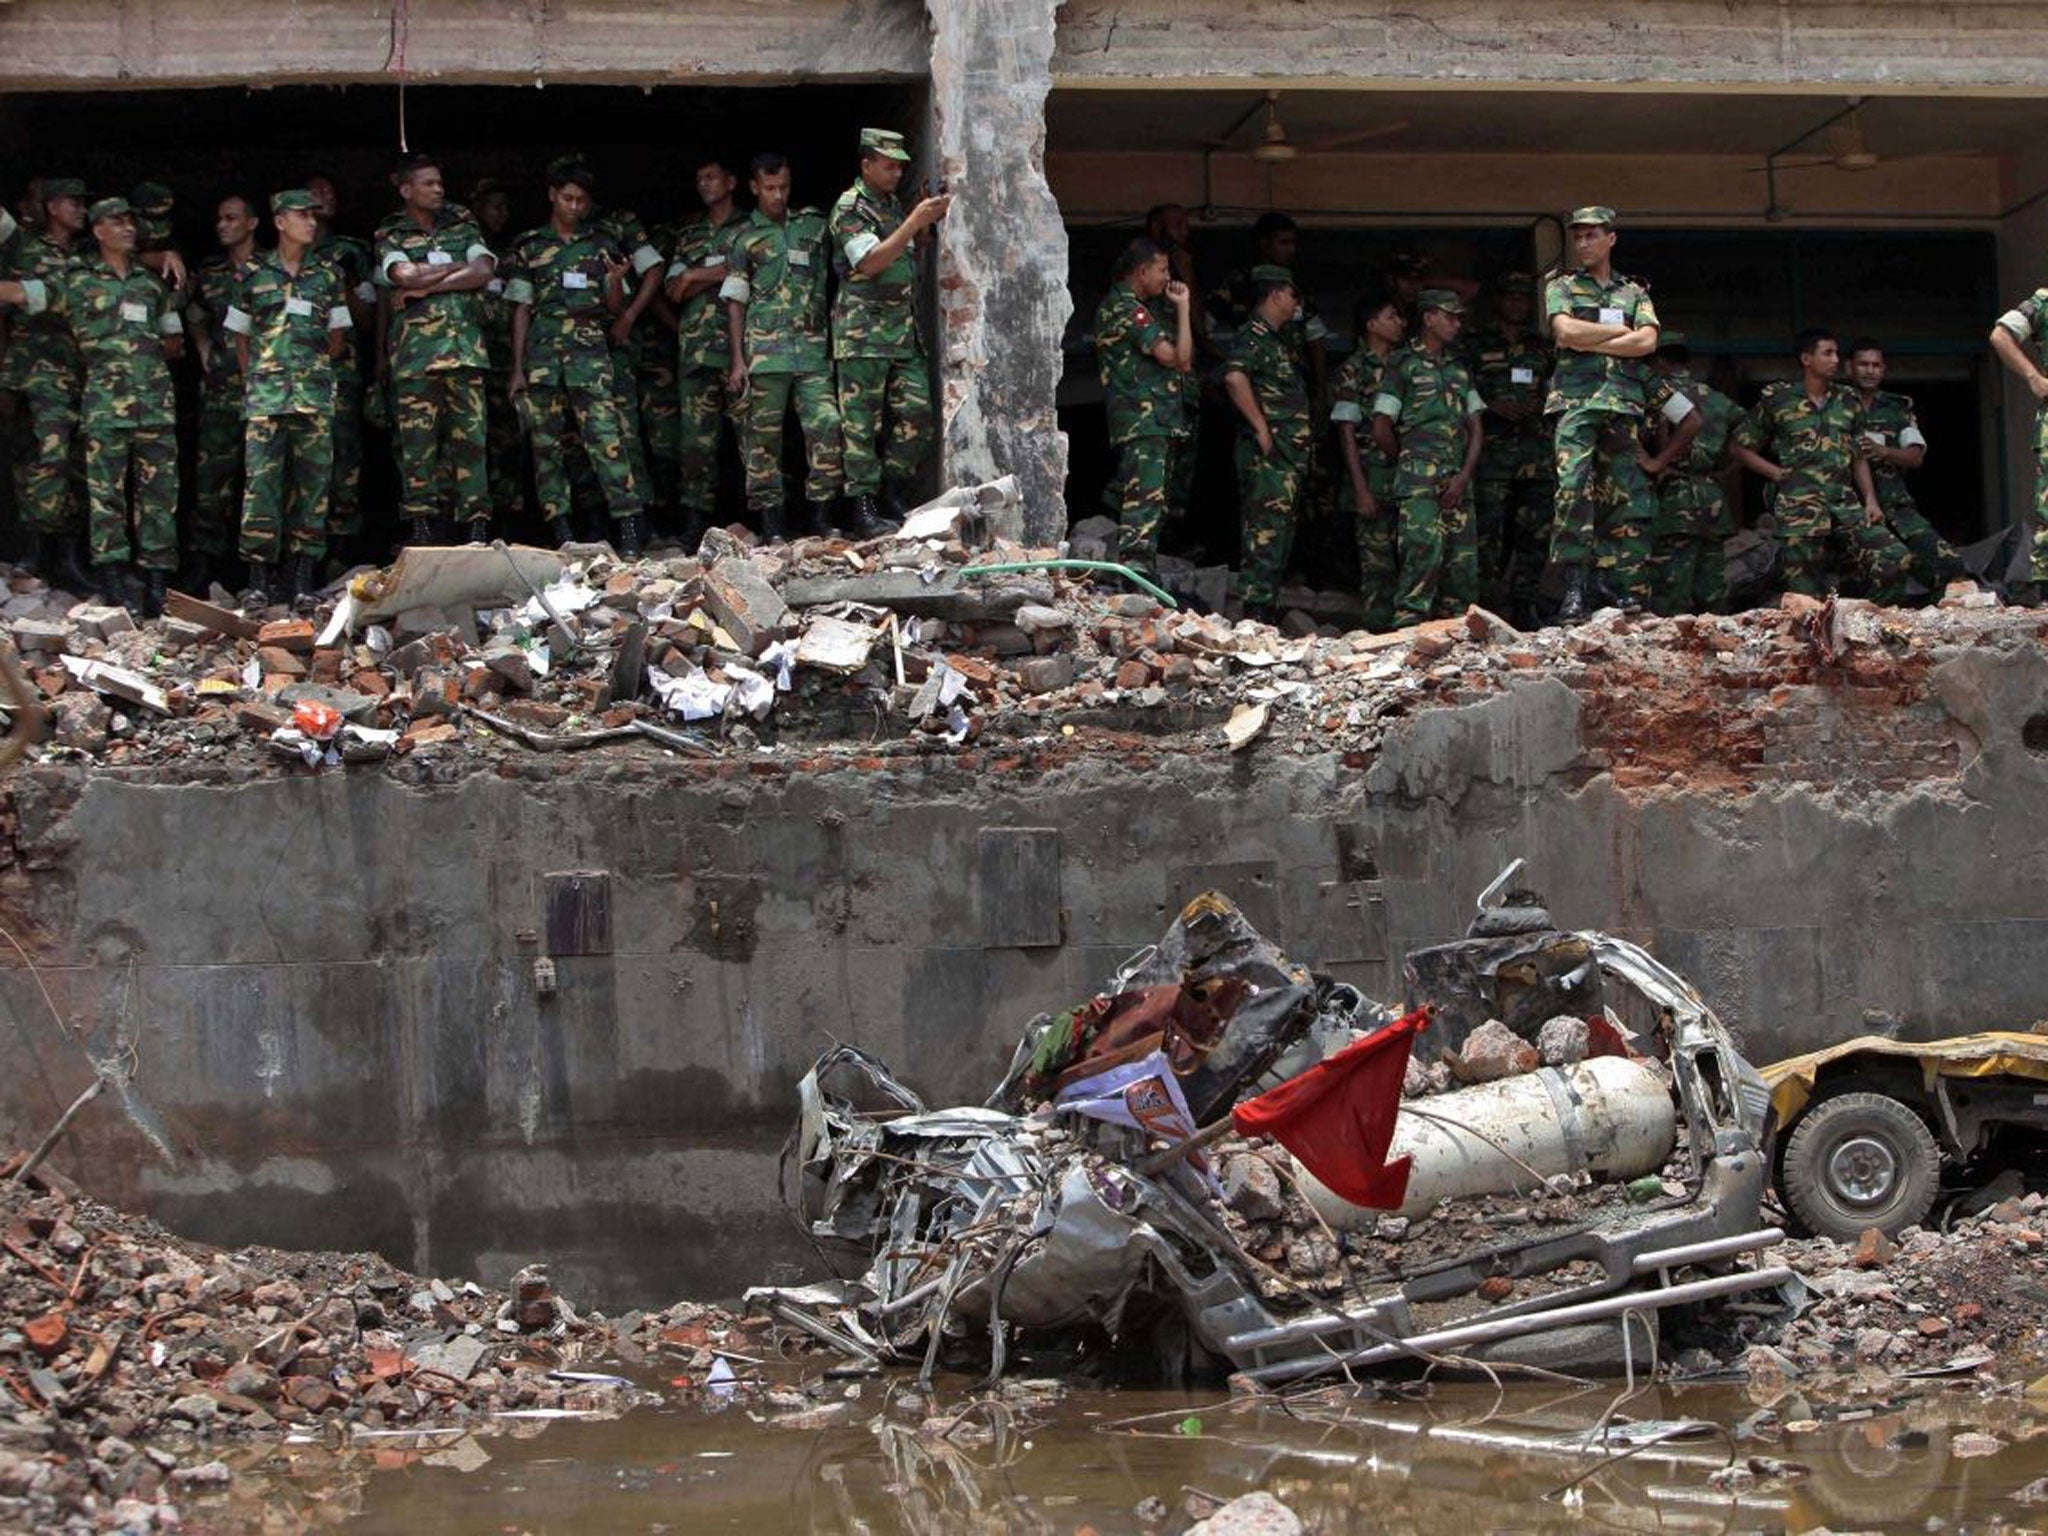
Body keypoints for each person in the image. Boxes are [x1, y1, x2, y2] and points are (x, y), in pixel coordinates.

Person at [0, 197, 184, 614]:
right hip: (105, 407)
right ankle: (114, 579)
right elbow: (24, 293)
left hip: (156, 406)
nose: (128, 228)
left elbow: (174, 342)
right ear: (98, 231)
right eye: (117, 222)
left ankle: (157, 582)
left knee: (159, 497)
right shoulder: (79, 283)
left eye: (130, 221)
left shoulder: (151, 285)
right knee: (107, 498)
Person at [505, 162, 648, 554]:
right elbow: (520, 309)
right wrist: (516, 368)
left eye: (581, 201)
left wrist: (617, 279)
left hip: (589, 352)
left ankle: (629, 529)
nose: (573, 206)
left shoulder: (601, 243)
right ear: (552, 195)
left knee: (606, 440)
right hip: (543, 354)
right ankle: (561, 532)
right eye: (567, 198)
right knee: (546, 447)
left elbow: (614, 307)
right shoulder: (530, 245)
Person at [225, 189, 353, 604]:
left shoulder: (328, 275)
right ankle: (259, 580)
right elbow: (240, 337)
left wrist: (307, 370)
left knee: (313, 489)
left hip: (313, 399)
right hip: (265, 398)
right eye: (302, 215)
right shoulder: (252, 273)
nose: (312, 223)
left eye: (314, 216)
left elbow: (338, 340)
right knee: (260, 488)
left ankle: (302, 578)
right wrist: (258, 378)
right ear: (280, 221)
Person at [1729, 327, 1914, 603]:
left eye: (1837, 353)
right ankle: (1811, 644)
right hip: (1799, 511)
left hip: (1845, 505)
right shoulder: (1779, 400)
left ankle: (1871, 625)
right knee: (1805, 596)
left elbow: (1858, 454)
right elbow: (1739, 447)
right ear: (1806, 359)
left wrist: (1871, 500)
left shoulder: (1847, 400)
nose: (1836, 360)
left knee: (1894, 558)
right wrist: (1775, 473)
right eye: (1828, 353)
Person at [1542, 206, 1660, 621]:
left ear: (1611, 238)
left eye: (1591, 235)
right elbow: (1566, 333)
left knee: (1620, 497)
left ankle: (1605, 581)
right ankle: (1574, 583)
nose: (1582, 243)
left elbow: (1646, 343)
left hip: (1622, 404)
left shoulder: (1634, 292)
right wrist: (1617, 333)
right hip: (1577, 403)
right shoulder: (1563, 287)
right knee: (1573, 488)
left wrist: (1592, 339)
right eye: (1578, 236)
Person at [830, 127, 950, 534]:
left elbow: (912, 259)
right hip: (862, 335)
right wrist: (914, 220)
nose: (896, 173)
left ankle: (891, 492)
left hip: (901, 333)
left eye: (900, 167)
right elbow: (871, 262)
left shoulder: (894, 207)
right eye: (888, 166)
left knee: (917, 413)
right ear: (866, 165)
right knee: (861, 426)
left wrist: (921, 227)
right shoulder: (851, 207)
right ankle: (862, 507)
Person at [721, 152, 846, 541]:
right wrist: (738, 361)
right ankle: (772, 525)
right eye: (770, 188)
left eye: (784, 188)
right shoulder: (743, 237)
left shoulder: (812, 226)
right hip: (764, 354)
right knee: (762, 439)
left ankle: (822, 518)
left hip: (810, 352)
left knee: (826, 424)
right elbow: (736, 300)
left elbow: (840, 272)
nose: (778, 196)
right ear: (755, 188)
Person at [374, 152, 496, 544]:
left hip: (464, 351)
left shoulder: (461, 221)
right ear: (406, 190)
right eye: (428, 183)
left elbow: (483, 271)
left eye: (440, 182)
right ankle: (422, 530)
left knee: (471, 445)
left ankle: (475, 528)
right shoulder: (390, 231)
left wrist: (425, 287)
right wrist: (441, 273)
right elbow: (402, 273)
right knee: (417, 449)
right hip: (416, 358)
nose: (438, 189)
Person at [0, 176, 93, 591]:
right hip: (35, 374)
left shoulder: (90, 253)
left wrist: (163, 252)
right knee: (43, 461)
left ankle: (66, 557)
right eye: (72, 202)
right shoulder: (23, 246)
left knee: (76, 464)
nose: (80, 209)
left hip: (86, 375)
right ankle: (37, 553)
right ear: (52, 207)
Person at [1371, 289, 1485, 625]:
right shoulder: (1402, 365)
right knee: (1421, 555)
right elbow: (1381, 428)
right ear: (1428, 318)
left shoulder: (1459, 369)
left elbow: (1476, 429)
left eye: (1459, 317)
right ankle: (1409, 634)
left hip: (1458, 481)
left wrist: (1463, 477)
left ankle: (1460, 637)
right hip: (1418, 482)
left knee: (1462, 564)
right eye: (1449, 316)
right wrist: (1410, 462)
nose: (1456, 323)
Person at [1091, 236, 1191, 577]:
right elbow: (1178, 358)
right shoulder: (1126, 309)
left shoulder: (1133, 307)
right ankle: (1135, 575)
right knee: (1145, 501)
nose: (1167, 277)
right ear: (1142, 270)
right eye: (1162, 270)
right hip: (1144, 420)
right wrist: (1184, 307)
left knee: (1146, 497)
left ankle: (1132, 569)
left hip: (1149, 420)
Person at [663, 158, 748, 546]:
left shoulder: (750, 226)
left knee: (752, 439)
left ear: (731, 182)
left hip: (744, 348)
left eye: (711, 176)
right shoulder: (689, 233)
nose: (704, 184)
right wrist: (706, 276)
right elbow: (673, 290)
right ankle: (694, 524)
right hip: (698, 351)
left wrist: (695, 275)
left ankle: (759, 518)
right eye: (698, 178)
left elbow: (754, 270)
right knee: (696, 444)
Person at [1221, 265, 1311, 620]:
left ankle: (1266, 609)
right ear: (1275, 294)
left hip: (1286, 456)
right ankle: (1255, 613)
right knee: (1263, 534)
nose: (1295, 303)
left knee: (1278, 535)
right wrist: (1260, 426)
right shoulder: (1255, 335)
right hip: (1268, 456)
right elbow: (1233, 376)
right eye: (1292, 295)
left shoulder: (1278, 339)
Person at [1466, 271, 1555, 624]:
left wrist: (1541, 404)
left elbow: (1557, 388)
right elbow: (1460, 388)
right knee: (1489, 533)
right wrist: (1491, 406)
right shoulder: (1474, 343)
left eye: (1523, 299)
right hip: (1491, 454)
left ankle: (1524, 603)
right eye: (1511, 297)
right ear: (1499, 301)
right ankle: (1486, 604)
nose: (1517, 304)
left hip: (1535, 453)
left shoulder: (1542, 346)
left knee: (1535, 533)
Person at [186, 193, 261, 587]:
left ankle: (258, 567)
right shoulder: (211, 272)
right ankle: (205, 564)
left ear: (251, 223)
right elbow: (194, 314)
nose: (222, 225)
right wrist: (201, 347)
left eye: (231, 218)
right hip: (219, 389)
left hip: (264, 391)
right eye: (219, 218)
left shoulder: (269, 269)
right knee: (212, 480)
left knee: (262, 480)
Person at [1848, 339, 1963, 594]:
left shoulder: (1897, 407)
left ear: (1884, 369)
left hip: (1897, 506)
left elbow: (1915, 457)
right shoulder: (1838, 406)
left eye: (1876, 365)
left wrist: (1884, 451)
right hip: (1853, 511)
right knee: (1886, 569)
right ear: (1849, 368)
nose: (1870, 370)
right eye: (1863, 364)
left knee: (1949, 565)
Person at [1637, 332, 1736, 614]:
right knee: (1712, 592)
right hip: (1711, 497)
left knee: (1669, 594)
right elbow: (1746, 440)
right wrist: (1725, 470)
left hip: (1674, 498)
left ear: (1657, 360)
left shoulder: (1657, 392)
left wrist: (1657, 462)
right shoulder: (1714, 397)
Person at [305, 174, 375, 564]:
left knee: (344, 463)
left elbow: (367, 318)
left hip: (341, 374)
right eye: (316, 191)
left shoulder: (351, 251)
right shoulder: (275, 261)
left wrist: (346, 284)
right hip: (295, 379)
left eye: (330, 191)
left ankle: (341, 556)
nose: (325, 197)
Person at [1328, 294, 1404, 630]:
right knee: (1376, 563)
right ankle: (1378, 630)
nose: (1399, 322)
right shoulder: (1353, 369)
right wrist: (1360, 489)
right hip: (1371, 473)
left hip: (1407, 475)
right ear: (1372, 325)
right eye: (1391, 316)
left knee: (1411, 555)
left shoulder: (1406, 364)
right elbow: (1346, 431)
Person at [470, 177, 529, 527]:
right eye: (495, 206)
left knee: (509, 441)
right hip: (469, 358)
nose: (501, 214)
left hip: (506, 360)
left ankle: (510, 516)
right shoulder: (466, 252)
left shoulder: (511, 256)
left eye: (506, 207)